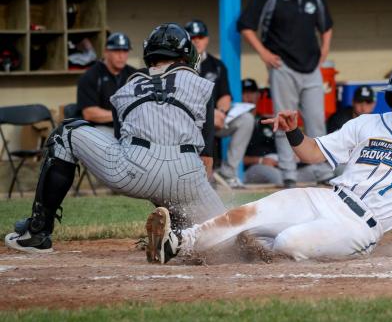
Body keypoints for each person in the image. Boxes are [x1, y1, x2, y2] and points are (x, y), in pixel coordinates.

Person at [144, 61, 392, 264]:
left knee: (289, 242)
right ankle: (177, 243)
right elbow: (311, 154)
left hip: (361, 227)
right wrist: (294, 132)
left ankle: (247, 247)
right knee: (252, 211)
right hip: (326, 197)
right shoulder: (366, 123)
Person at [5, 23, 226, 254]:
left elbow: (125, 143)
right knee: (227, 237)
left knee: (65, 133)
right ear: (187, 55)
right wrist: (187, 197)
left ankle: (37, 232)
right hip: (188, 177)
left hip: (133, 171)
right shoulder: (203, 86)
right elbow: (206, 163)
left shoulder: (128, 85)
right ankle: (182, 234)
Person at [238, 0, 334, 188]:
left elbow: (327, 26)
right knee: (284, 120)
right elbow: (246, 25)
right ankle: (288, 173)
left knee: (316, 121)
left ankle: (322, 172)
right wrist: (264, 53)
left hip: (311, 67)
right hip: (283, 66)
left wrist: (324, 51)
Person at [185, 19, 255, 189]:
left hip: (215, 118)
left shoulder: (217, 65)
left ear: (207, 39)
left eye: (200, 36)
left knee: (246, 120)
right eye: (192, 37)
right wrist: (209, 115)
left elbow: (225, 96)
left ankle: (228, 173)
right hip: (188, 121)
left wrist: (220, 113)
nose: (197, 41)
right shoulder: (181, 65)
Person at [241, 78, 323, 186]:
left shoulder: (266, 120)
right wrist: (260, 160)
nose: (249, 96)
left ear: (258, 95)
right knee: (280, 178)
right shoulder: (239, 123)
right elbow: (234, 158)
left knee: (318, 172)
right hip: (257, 167)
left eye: (252, 92)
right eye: (245, 93)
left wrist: (297, 154)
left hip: (282, 165)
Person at [76, 32, 136, 134]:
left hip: (130, 126)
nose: (121, 56)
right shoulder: (90, 76)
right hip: (101, 127)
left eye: (125, 51)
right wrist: (123, 115)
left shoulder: (134, 75)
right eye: (116, 51)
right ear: (106, 52)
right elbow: (89, 113)